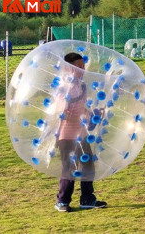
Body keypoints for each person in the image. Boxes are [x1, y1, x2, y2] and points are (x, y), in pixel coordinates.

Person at [54, 53, 107, 212]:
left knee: (88, 166)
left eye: (83, 66)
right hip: (67, 135)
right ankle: (62, 201)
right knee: (69, 168)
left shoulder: (82, 86)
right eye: (78, 66)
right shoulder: (63, 87)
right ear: (68, 68)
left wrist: (94, 114)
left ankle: (87, 199)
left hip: (81, 134)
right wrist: (79, 118)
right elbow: (62, 112)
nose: (82, 69)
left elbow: (81, 108)